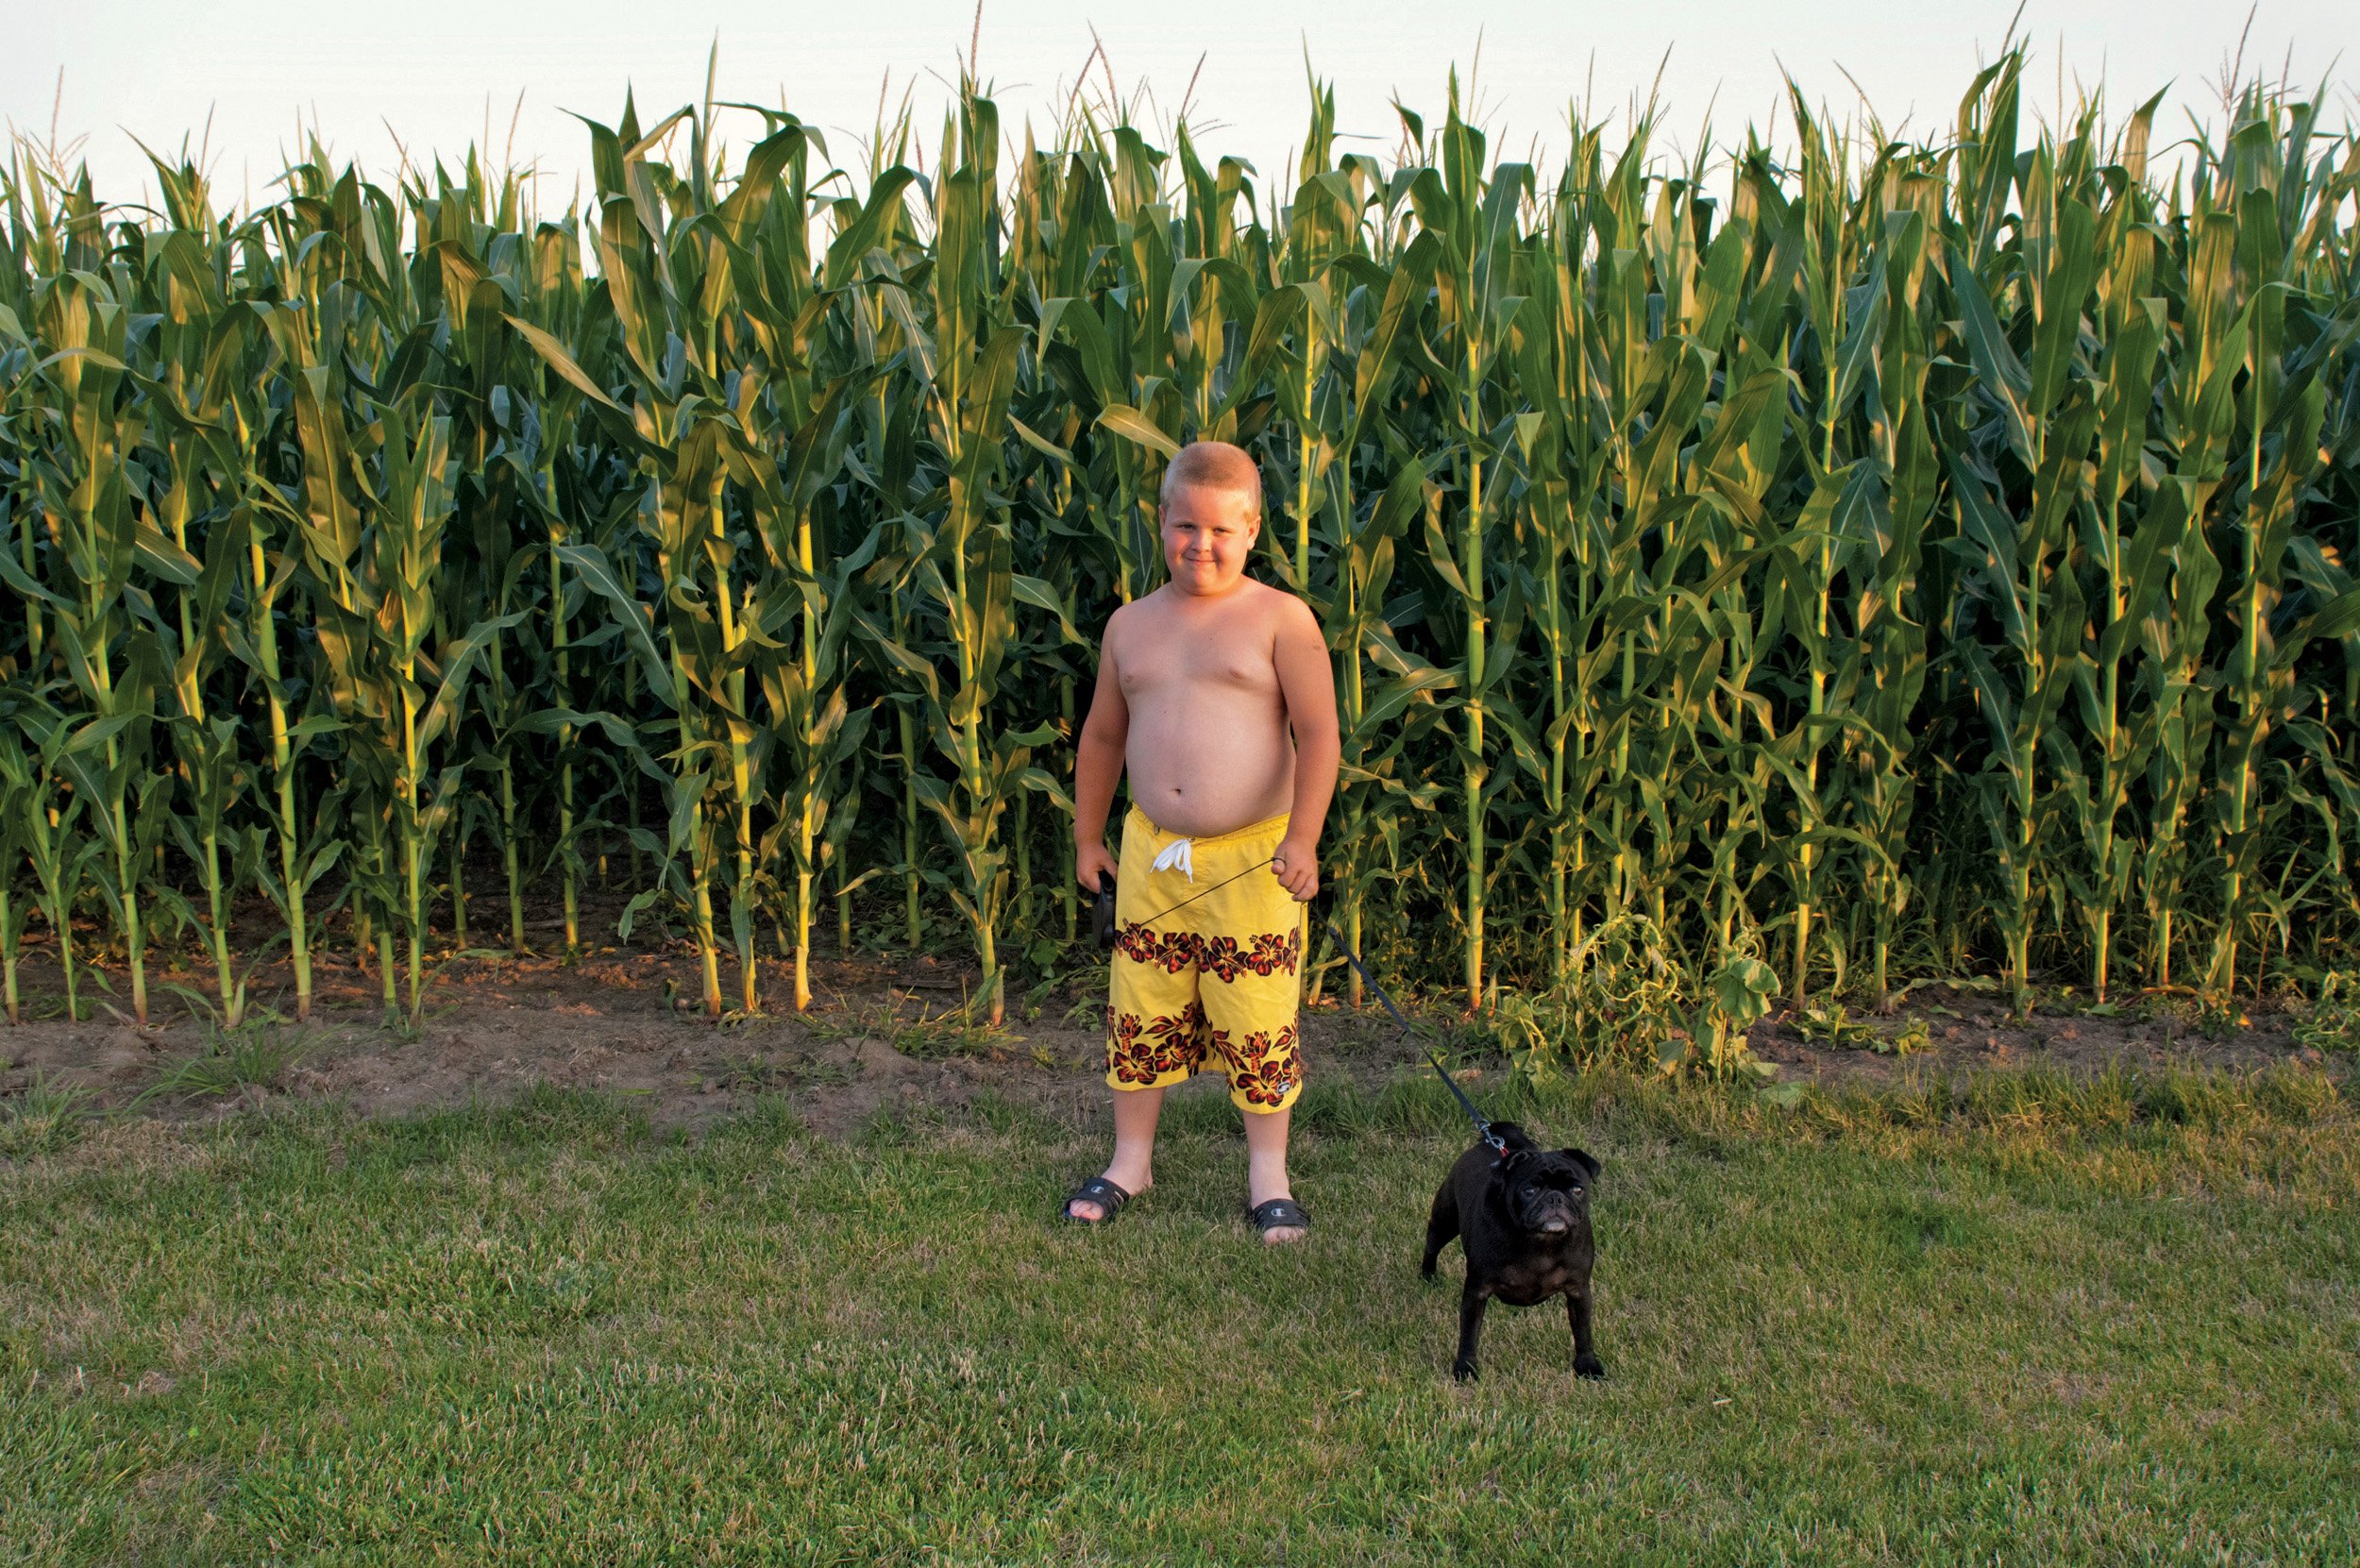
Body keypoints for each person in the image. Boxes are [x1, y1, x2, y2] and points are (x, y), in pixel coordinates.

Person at [1061, 439, 1340, 1244]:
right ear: (1160, 521)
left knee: (1256, 1016)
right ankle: (1131, 1158)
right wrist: (1089, 835)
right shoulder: (1130, 626)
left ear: (1253, 527)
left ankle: (1268, 1175)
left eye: (1222, 529)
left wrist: (1305, 838)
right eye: (1186, 526)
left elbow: (1320, 735)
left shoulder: (1281, 620)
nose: (1202, 545)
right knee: (1140, 1008)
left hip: (1255, 861)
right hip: (1154, 855)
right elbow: (1103, 737)